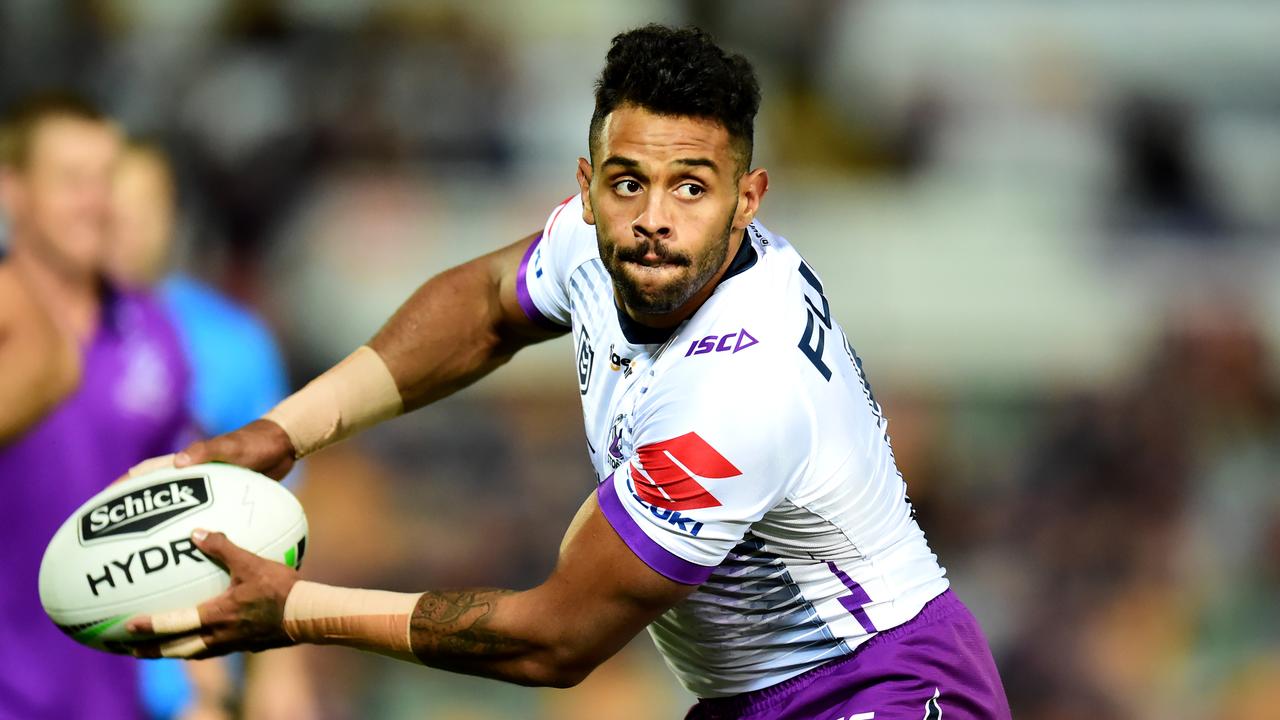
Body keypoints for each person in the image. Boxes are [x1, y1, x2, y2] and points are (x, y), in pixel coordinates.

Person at [127, 26, 1011, 719]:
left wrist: (295, 612)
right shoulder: (602, 243)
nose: (654, 218)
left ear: (748, 200)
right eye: (628, 183)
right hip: (750, 699)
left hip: (882, 689)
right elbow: (484, 306)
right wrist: (280, 434)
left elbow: (554, 642)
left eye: (692, 188)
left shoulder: (742, 386)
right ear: (587, 185)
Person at [108, 141, 316, 720]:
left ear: (172, 215)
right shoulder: (38, 343)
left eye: (143, 205)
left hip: (189, 681)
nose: (126, 225)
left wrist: (280, 669)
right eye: (112, 205)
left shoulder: (233, 343)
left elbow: (276, 524)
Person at [0, 94, 192, 720]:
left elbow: (185, 520)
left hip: (114, 703)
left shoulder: (153, 335)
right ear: (12, 189)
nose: (96, 202)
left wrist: (204, 688)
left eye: (106, 179)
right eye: (71, 181)